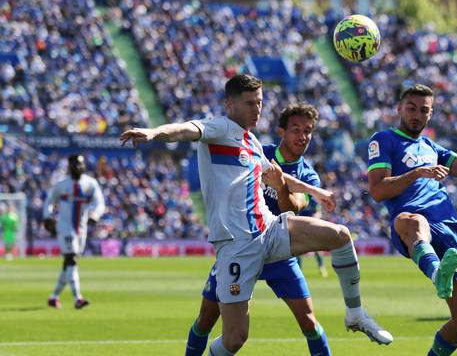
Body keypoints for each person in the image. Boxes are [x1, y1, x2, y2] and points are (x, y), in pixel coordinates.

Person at [120, 74, 392, 356]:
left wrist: (318, 193)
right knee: (235, 339)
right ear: (229, 104)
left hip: (270, 230)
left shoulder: (253, 143)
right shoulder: (218, 128)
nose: (257, 109)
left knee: (340, 235)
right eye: (250, 103)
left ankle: (356, 314)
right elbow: (185, 129)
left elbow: (278, 175)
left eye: (260, 102)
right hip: (237, 245)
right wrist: (154, 133)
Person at [186, 103, 332, 356]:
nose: (303, 136)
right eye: (296, 129)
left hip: (279, 251)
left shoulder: (309, 176)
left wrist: (280, 185)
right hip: (241, 246)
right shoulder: (258, 151)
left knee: (309, 321)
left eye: (308, 130)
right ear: (281, 132)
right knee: (205, 320)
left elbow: (292, 209)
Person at [367, 84, 457, 356]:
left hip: (446, 226)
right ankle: (437, 273)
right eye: (411, 108)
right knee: (414, 223)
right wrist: (416, 173)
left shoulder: (433, 148)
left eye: (424, 110)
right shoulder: (384, 139)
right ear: (399, 108)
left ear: (430, 114)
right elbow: (377, 190)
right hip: (408, 220)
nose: (416, 115)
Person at [43, 154, 105, 309]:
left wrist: (95, 215)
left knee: (69, 263)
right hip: (64, 227)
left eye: (81, 164)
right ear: (70, 167)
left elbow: (100, 202)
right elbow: (49, 201)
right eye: (76, 165)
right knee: (71, 259)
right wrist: (47, 217)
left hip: (81, 228)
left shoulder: (90, 184)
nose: (79, 167)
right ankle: (78, 298)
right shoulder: (61, 185)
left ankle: (54, 296)